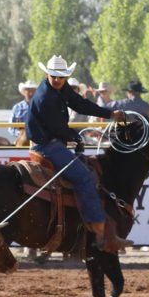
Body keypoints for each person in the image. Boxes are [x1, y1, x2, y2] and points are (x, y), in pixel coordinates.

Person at [27, 55, 129, 253]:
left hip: (51, 142)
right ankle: (100, 232)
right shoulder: (45, 98)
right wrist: (77, 137)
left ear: (66, 77)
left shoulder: (56, 89)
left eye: (61, 77)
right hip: (47, 146)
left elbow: (80, 104)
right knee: (85, 178)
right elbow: (58, 128)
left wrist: (108, 113)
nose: (57, 80)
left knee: (84, 172)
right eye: (54, 76)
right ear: (47, 74)